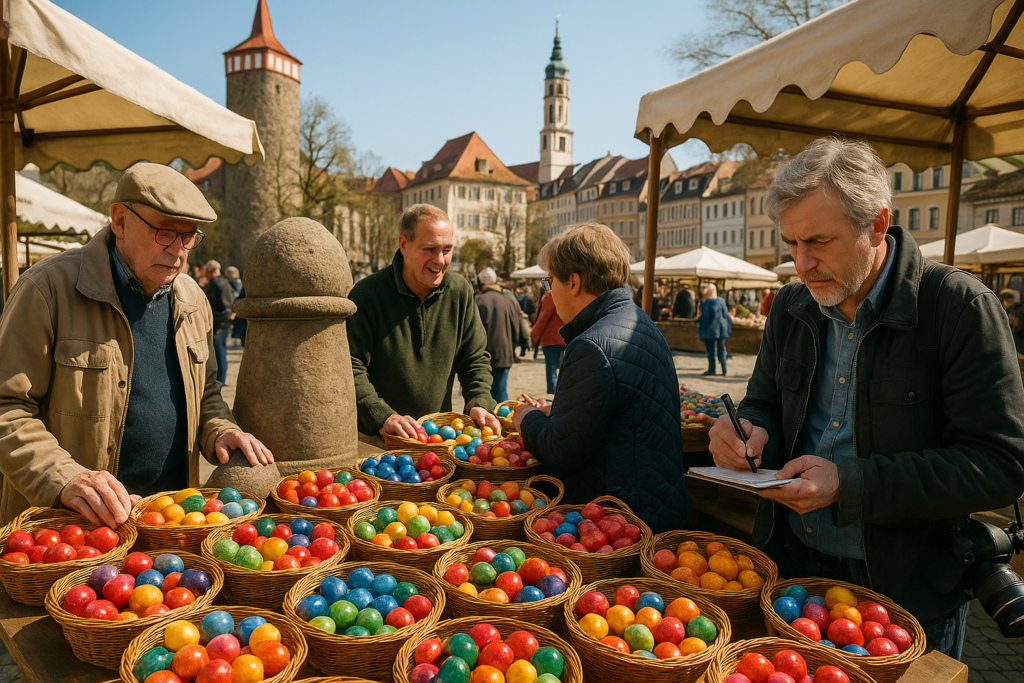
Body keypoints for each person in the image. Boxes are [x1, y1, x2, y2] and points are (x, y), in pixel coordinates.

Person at [708, 137, 1024, 660]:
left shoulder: (958, 307)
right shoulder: (791, 305)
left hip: (908, 592)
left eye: (818, 242)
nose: (801, 264)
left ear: (877, 224)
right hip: (795, 569)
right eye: (790, 243)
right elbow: (762, 400)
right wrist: (747, 429)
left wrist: (850, 483)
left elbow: (999, 464)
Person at [0, 163, 273, 527]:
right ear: (119, 221)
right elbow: (8, 407)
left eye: (189, 236)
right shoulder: (46, 290)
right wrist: (63, 477)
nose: (178, 250)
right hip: (75, 529)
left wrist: (222, 430)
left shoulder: (192, 297)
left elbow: (206, 392)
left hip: (171, 524)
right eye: (165, 232)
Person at [512, 223, 688, 533]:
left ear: (574, 282)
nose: (549, 291)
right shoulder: (637, 319)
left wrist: (526, 418)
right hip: (653, 502)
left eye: (549, 281)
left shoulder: (592, 344)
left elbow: (561, 449)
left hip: (619, 520)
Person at [347, 204, 502, 439]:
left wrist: (479, 400)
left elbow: (475, 358)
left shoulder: (460, 290)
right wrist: (382, 416)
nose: (439, 260)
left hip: (437, 439)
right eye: (429, 249)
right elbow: (351, 366)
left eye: (447, 249)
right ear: (403, 245)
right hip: (377, 440)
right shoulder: (367, 294)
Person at [475, 268, 521, 402]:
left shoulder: (477, 300)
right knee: (501, 392)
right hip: (504, 354)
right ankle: (501, 422)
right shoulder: (509, 300)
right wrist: (513, 347)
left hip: (481, 356)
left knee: (481, 397)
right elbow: (516, 328)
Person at [203, 260, 235, 384]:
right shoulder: (226, 282)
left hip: (218, 320)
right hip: (225, 319)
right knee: (221, 348)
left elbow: (209, 302)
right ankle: (221, 378)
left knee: (218, 349)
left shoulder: (213, 283)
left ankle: (218, 380)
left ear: (210, 271)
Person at [531, 289, 566, 394]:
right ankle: (564, 395)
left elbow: (543, 319)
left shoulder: (551, 297)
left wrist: (534, 335)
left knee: (552, 370)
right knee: (564, 370)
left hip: (552, 338)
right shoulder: (568, 294)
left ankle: (553, 398)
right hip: (566, 338)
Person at [698, 284, 731, 376]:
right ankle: (724, 369)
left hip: (710, 330)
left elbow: (705, 318)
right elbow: (727, 316)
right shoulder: (722, 301)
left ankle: (712, 370)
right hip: (722, 329)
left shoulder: (708, 303)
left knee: (711, 351)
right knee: (722, 349)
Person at [999, 288, 1024, 354]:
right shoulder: (1003, 310)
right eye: (1005, 298)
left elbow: (1018, 325)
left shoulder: (1020, 311)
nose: (1007, 300)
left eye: (1009, 297)